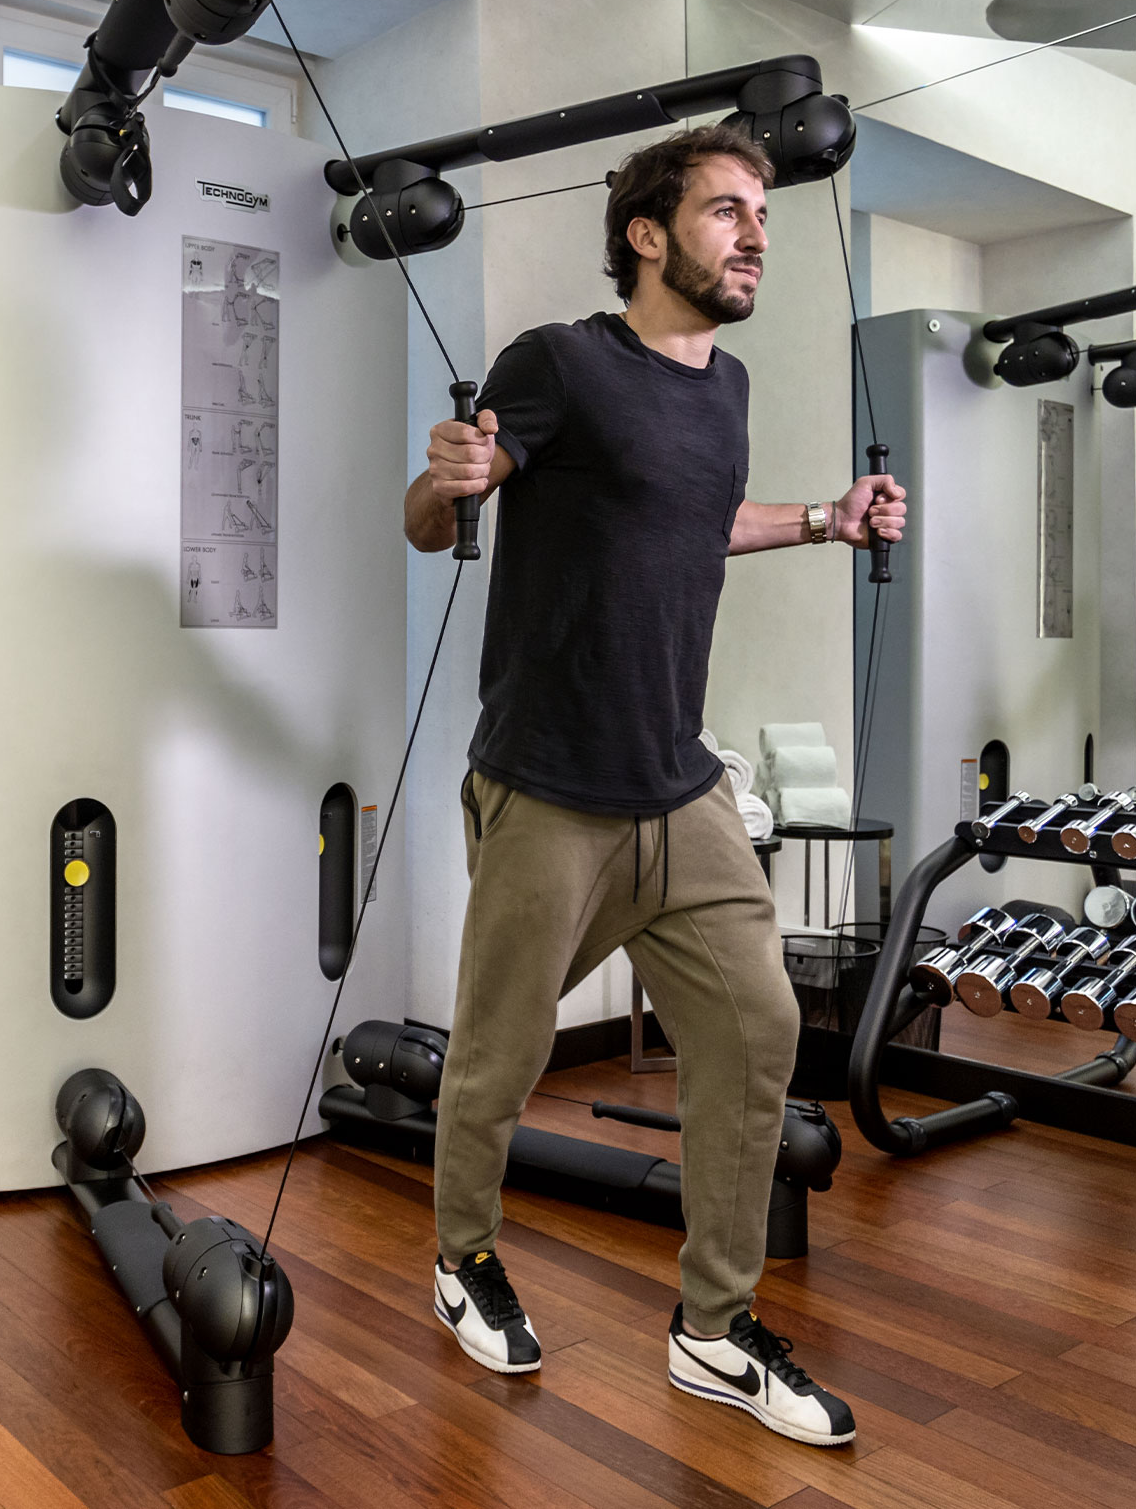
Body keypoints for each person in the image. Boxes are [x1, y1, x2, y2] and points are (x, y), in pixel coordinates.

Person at [401, 122, 904, 1449]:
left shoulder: (724, 387)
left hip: (681, 788)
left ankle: (713, 1330)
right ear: (645, 232)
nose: (755, 236)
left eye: (763, 217)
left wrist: (825, 519)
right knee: (499, 1057)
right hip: (548, 786)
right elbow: (442, 506)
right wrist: (447, 481)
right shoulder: (559, 362)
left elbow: (694, 518)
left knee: (756, 1030)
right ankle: (461, 1255)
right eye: (729, 210)